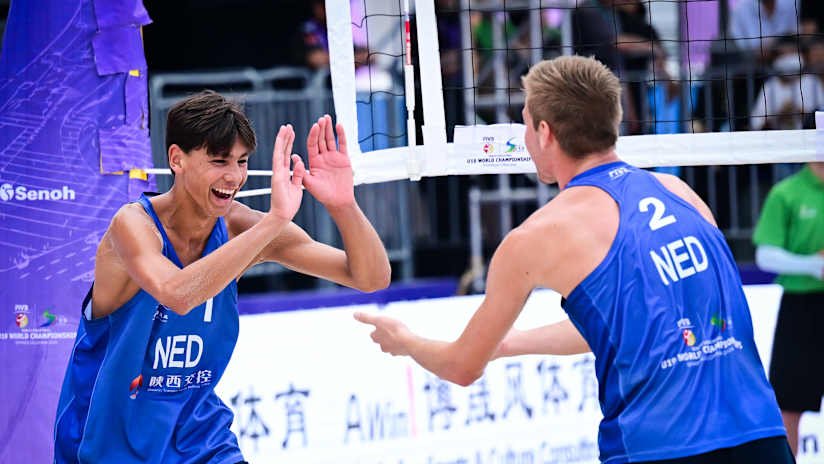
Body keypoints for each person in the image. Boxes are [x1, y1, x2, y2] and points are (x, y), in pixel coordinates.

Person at [355, 56, 794, 463]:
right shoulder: (681, 195)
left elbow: (462, 366)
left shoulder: (535, 236)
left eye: (525, 124)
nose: (524, 138)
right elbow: (630, 322)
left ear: (545, 132)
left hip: (657, 448)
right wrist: (507, 344)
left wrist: (406, 341)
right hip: (761, 437)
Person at [53, 90, 391, 464]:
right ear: (176, 159)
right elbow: (177, 295)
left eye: (242, 161)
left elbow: (371, 278)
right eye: (219, 160)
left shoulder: (243, 225)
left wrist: (344, 206)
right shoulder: (132, 225)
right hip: (108, 443)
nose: (234, 176)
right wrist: (276, 220)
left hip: (201, 440)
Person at [753, 162, 824, 457]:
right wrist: (815, 266)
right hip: (802, 307)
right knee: (787, 407)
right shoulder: (786, 193)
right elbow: (765, 255)